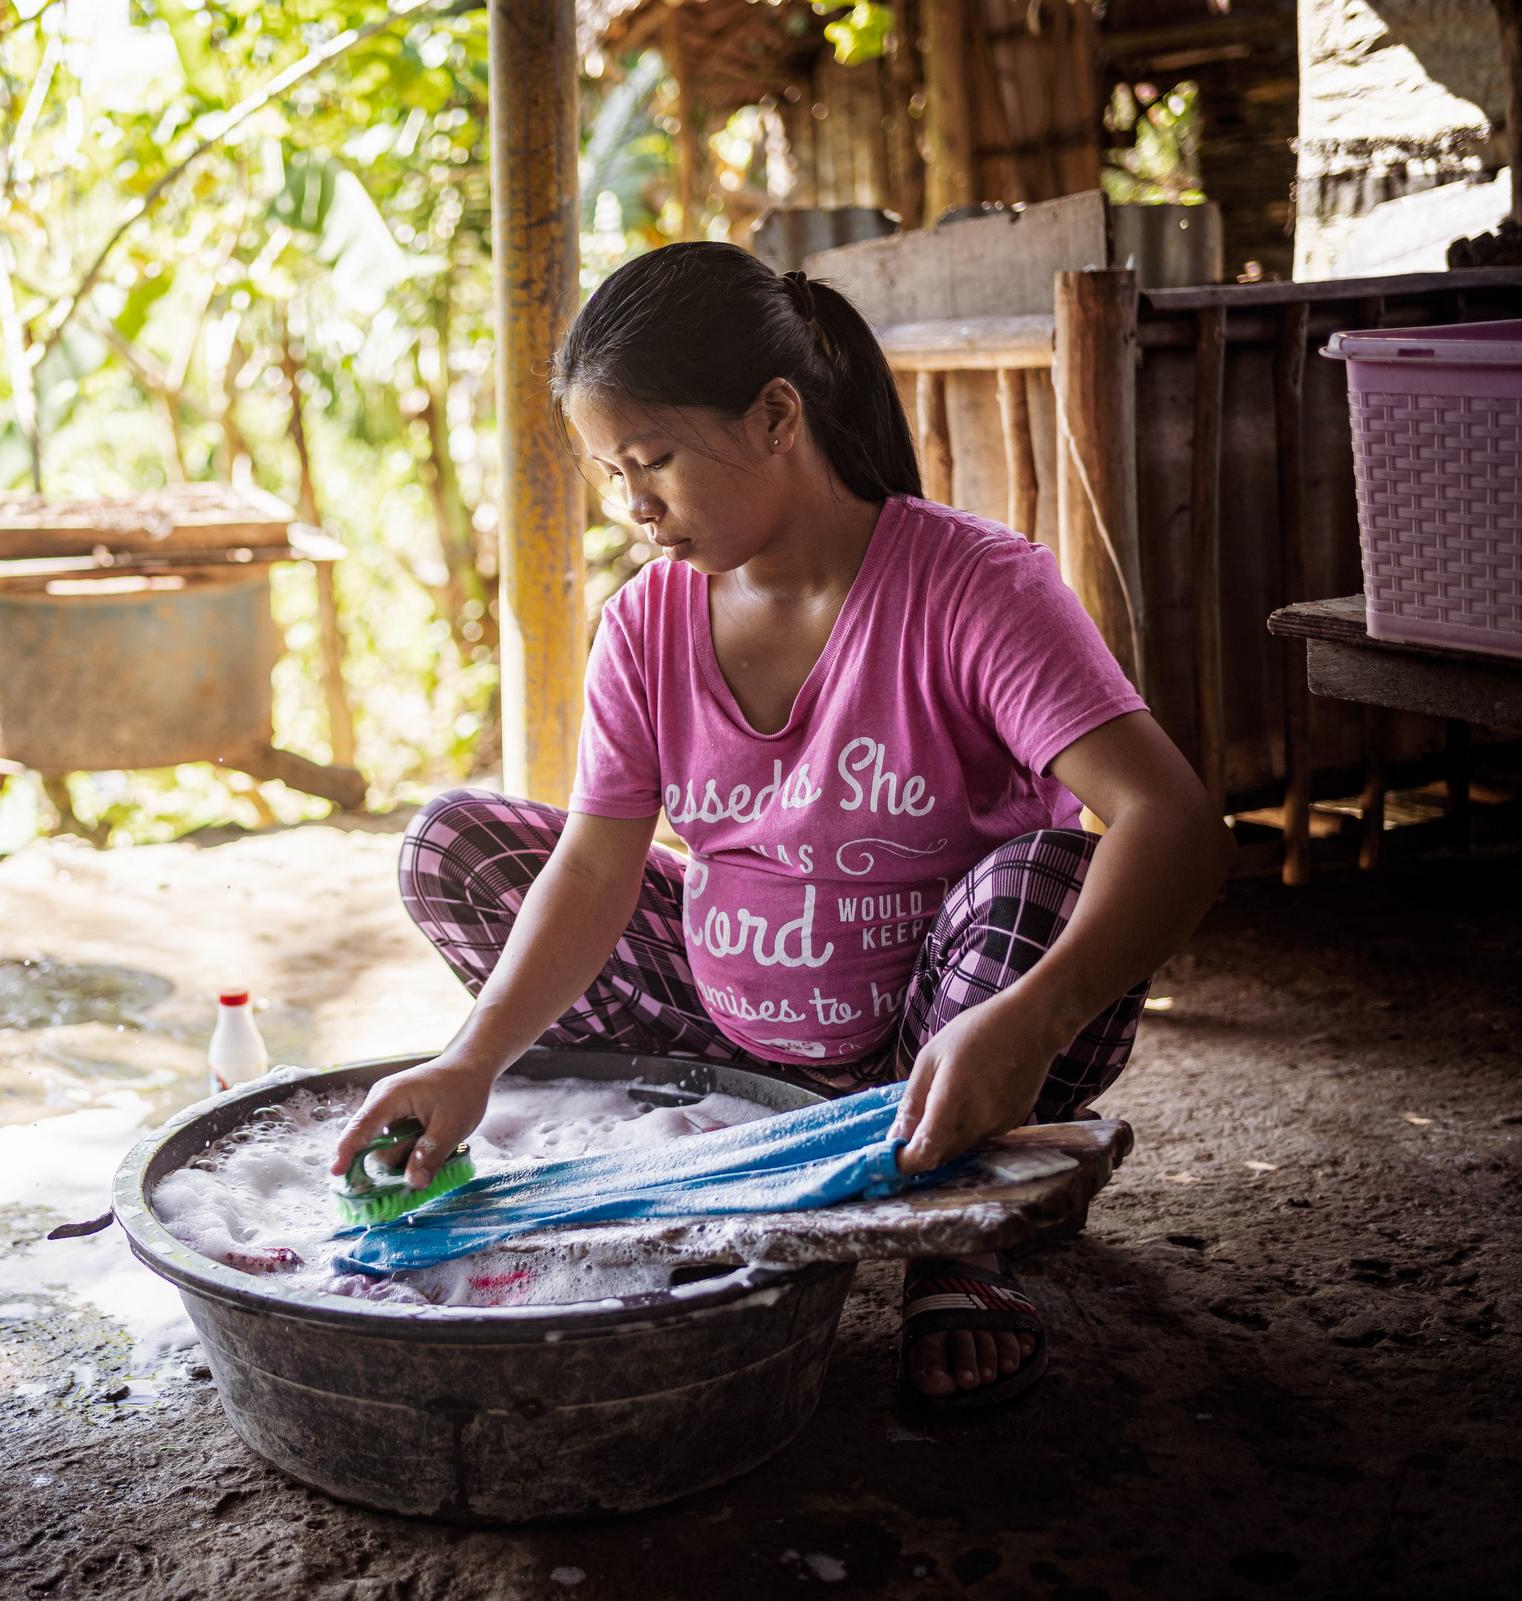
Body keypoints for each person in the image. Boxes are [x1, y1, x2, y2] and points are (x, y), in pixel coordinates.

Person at [331, 241, 1232, 1411]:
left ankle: (952, 1237)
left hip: (945, 1048)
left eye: (651, 460)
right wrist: (473, 1056)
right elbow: (601, 860)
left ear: (774, 416)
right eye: (612, 471)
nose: (633, 505)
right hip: (729, 1049)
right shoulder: (648, 623)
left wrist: (1032, 1016)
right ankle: (729, 1144)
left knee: (1048, 875)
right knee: (456, 842)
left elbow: (1177, 824)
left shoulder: (972, 587)